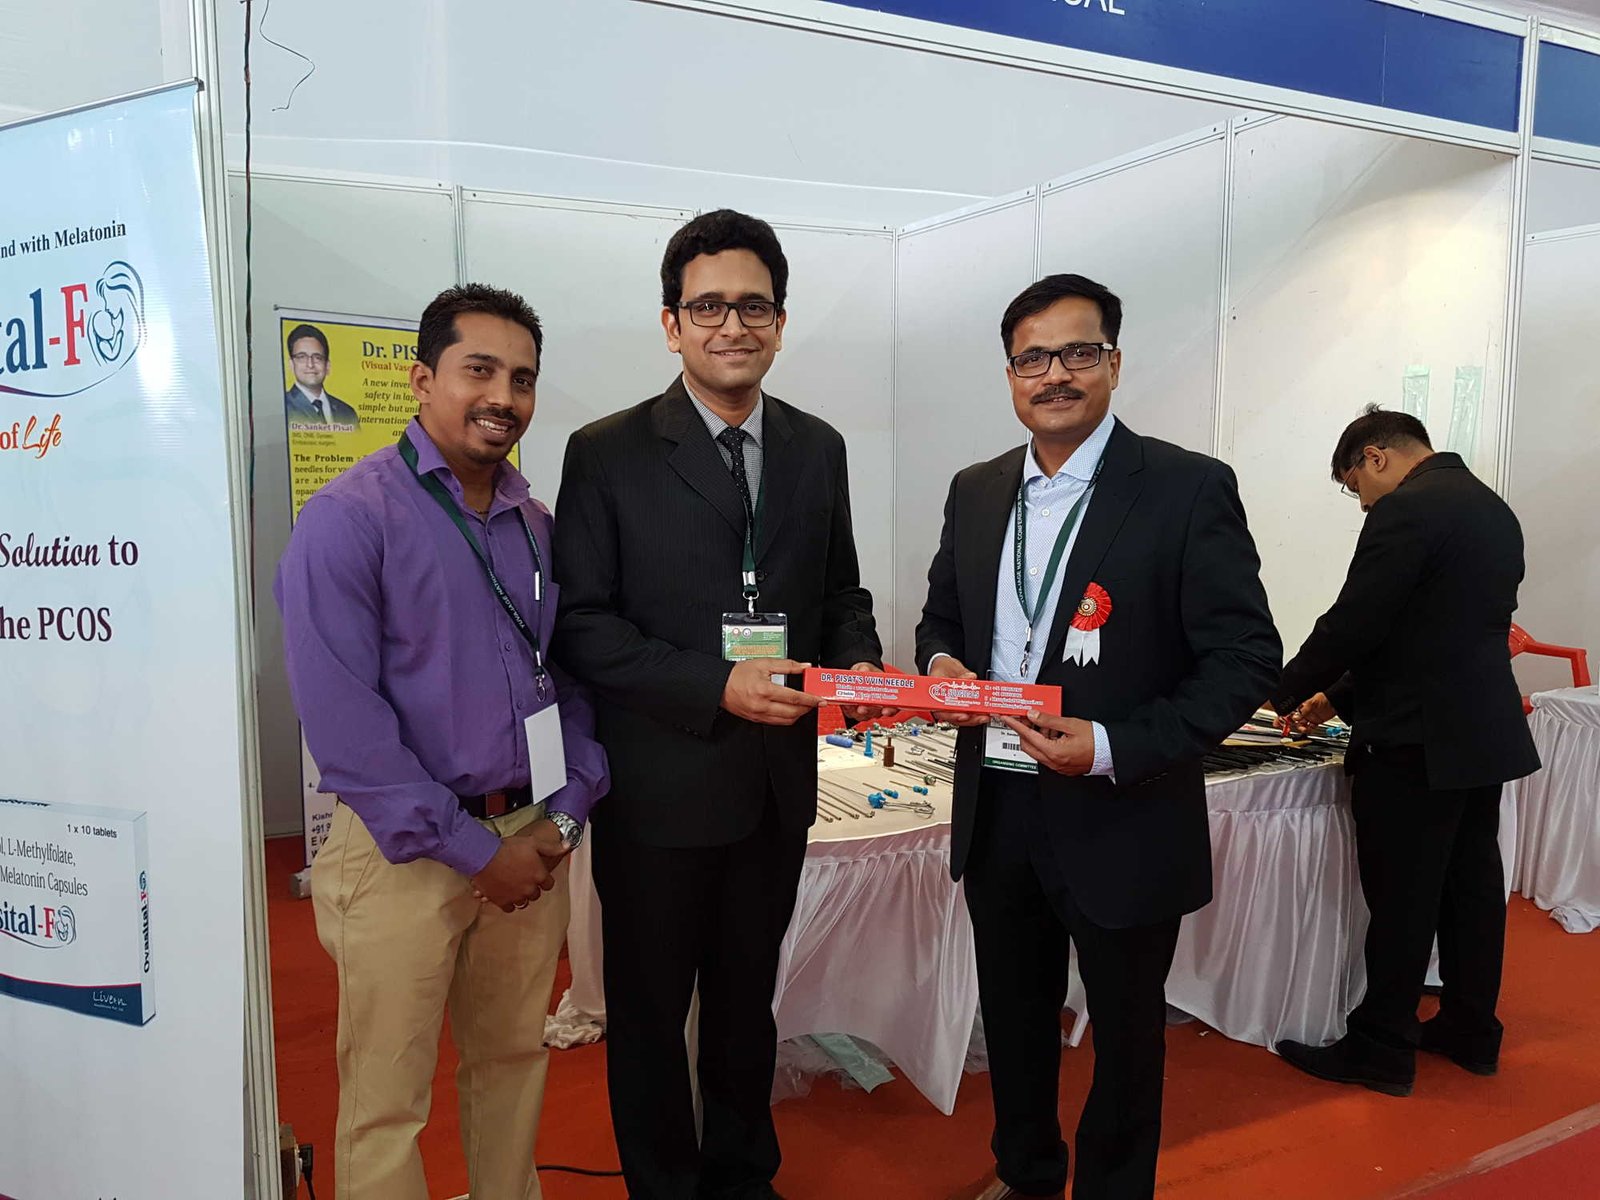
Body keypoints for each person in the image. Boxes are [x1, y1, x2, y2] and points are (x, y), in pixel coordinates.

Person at [916, 274, 1281, 1200]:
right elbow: (941, 619)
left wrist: (1114, 742)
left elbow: (1245, 660)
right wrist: (944, 666)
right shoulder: (976, 489)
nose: (1055, 374)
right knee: (1015, 1016)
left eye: (1078, 352)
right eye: (1033, 358)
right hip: (998, 805)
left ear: (1114, 363)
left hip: (1123, 810)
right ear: (1010, 375)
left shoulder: (1186, 488)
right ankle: (1027, 1173)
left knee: (1124, 1037)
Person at [552, 209, 883, 1200]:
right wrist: (714, 682)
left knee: (746, 1008)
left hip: (773, 790)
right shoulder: (606, 452)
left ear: (780, 321)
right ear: (671, 324)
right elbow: (583, 625)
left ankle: (744, 1178)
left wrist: (859, 666)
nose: (731, 325)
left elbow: (840, 592)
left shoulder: (817, 447)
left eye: (753, 305)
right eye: (707, 307)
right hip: (659, 790)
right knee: (651, 1017)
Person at [274, 284, 609, 1200]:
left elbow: (570, 679)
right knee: (386, 1104)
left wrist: (565, 813)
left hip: (529, 840)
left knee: (513, 1065)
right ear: (423, 380)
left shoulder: (536, 526)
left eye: (523, 378)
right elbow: (347, 731)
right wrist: (475, 852)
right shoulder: (349, 518)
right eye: (480, 370)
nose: (504, 396)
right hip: (402, 854)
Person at [1272, 406, 1540, 1097]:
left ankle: (1381, 1047)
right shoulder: (1492, 509)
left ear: (1375, 457)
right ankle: (1471, 1029)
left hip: (1416, 739)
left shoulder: (1405, 510)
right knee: (1471, 891)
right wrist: (1336, 698)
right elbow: (1432, 631)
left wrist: (1274, 690)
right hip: (1480, 732)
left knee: (1402, 898)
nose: (1361, 501)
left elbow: (1356, 622)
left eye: (1353, 486)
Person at [285, 322, 361, 428]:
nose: (310, 364)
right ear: (291, 364)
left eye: (317, 358)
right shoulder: (283, 406)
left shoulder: (347, 413)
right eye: (302, 357)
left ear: (327, 366)